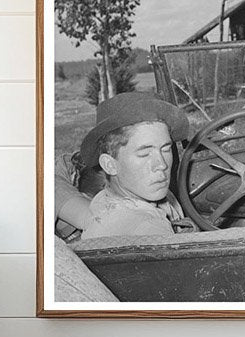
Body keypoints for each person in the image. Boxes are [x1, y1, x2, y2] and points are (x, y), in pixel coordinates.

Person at [76, 92, 193, 239]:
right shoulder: (148, 229)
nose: (161, 165)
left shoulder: (107, 198)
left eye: (165, 149)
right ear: (110, 165)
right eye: (144, 154)